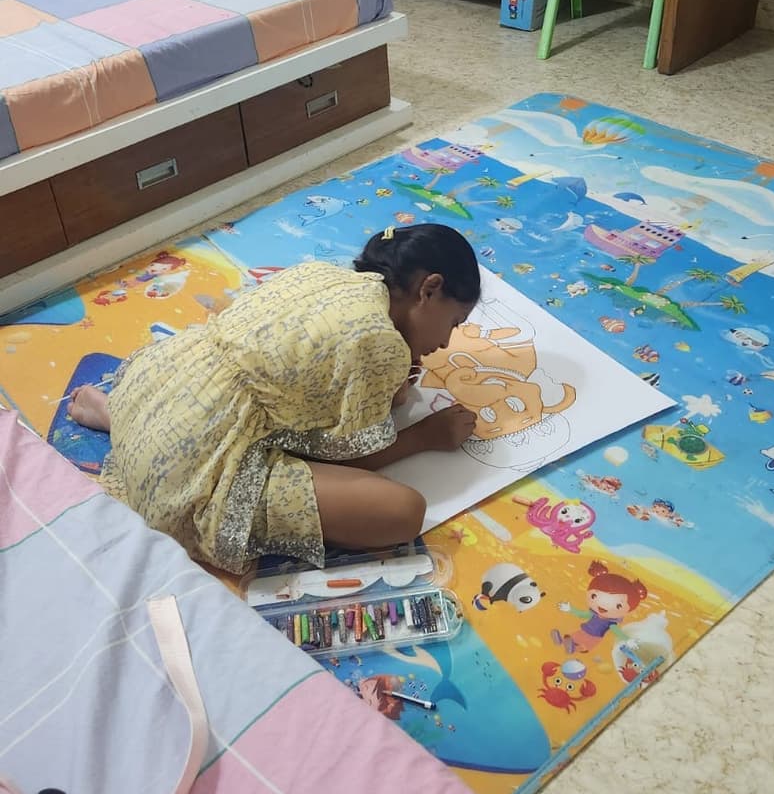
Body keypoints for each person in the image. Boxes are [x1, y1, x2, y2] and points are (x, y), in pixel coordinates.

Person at [67, 224, 480, 575]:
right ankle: (153, 452)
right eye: (453, 322)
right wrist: (427, 436)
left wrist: (386, 387)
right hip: (187, 476)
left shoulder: (329, 275)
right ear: (430, 289)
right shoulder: (380, 342)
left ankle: (115, 418)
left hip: (157, 390)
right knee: (402, 511)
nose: (445, 341)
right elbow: (351, 459)